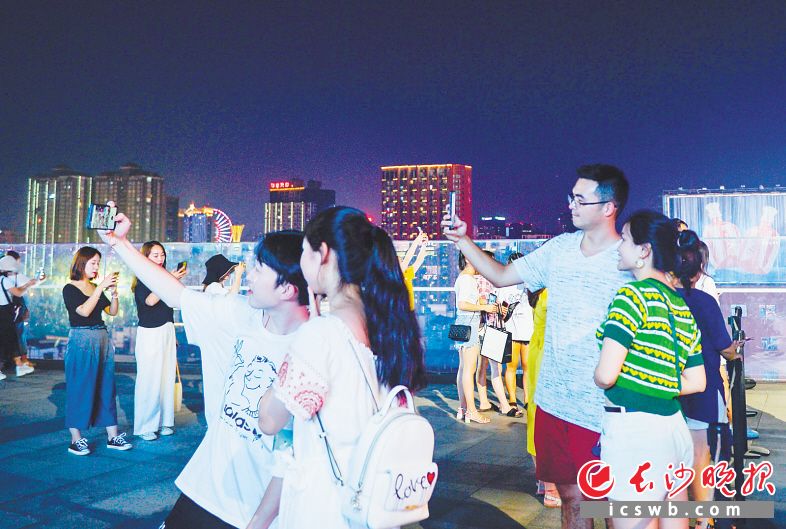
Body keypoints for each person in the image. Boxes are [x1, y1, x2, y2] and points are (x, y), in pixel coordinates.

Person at [443, 164, 631, 529]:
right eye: (571, 197)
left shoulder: (628, 261)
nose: (572, 205)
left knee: (606, 504)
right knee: (570, 501)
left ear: (609, 207)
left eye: (581, 199)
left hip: (602, 408)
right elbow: (500, 276)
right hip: (551, 402)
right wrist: (464, 241)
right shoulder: (558, 249)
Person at [99, 214, 309, 529]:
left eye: (259, 268)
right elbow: (174, 293)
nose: (249, 274)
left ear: (287, 289)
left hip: (261, 509)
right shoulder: (238, 316)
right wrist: (121, 244)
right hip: (207, 489)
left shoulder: (314, 348)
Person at [255, 206, 428, 529]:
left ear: (323, 254)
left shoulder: (320, 335)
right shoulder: (391, 331)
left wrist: (301, 343)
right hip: (376, 507)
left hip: (327, 509)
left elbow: (269, 419)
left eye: (305, 251)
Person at [594, 211, 705, 529]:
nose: (619, 246)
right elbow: (697, 381)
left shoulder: (630, 296)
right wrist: (659, 382)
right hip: (673, 428)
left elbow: (606, 374)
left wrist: (599, 375)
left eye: (626, 239)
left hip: (635, 432)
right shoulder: (680, 306)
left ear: (644, 250)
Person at [675, 233, 741, 529]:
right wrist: (736, 349)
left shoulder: (660, 299)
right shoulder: (703, 300)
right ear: (699, 269)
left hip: (666, 389)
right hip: (702, 387)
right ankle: (702, 518)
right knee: (701, 454)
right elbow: (725, 347)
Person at [62, 246, 132, 455]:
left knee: (106, 386)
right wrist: (101, 287)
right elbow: (83, 312)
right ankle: (76, 439)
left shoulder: (95, 287)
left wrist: (114, 294)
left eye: (98, 263)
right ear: (81, 263)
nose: (96, 267)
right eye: (93, 263)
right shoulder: (70, 288)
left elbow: (111, 311)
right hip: (82, 338)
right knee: (80, 386)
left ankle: (113, 436)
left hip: (101, 337)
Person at [132, 241, 187, 441]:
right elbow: (150, 301)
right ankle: (146, 425)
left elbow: (172, 303)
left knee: (165, 378)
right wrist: (170, 278)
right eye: (155, 255)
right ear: (145, 258)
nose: (160, 258)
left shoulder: (163, 278)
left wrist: (172, 280)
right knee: (150, 380)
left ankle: (164, 421)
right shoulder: (143, 279)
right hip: (150, 333)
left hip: (166, 329)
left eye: (162, 254)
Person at [524, 288, 561, 508]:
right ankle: (551, 488)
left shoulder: (540, 292)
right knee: (548, 422)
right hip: (550, 359)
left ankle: (542, 481)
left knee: (535, 419)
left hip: (539, 356)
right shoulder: (551, 294)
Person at [474, 251, 521, 418]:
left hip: (488, 327)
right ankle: (503, 405)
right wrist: (491, 307)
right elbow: (480, 303)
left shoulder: (487, 281)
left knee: (485, 366)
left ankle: (486, 401)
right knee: (492, 367)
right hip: (488, 327)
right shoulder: (481, 280)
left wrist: (498, 307)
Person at [453, 252, 495, 423]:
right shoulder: (467, 279)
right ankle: (471, 411)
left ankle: (463, 409)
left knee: (463, 369)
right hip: (469, 324)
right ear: (469, 259)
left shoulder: (463, 278)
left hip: (463, 323)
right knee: (468, 370)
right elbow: (462, 304)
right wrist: (484, 307)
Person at [497, 251, 534, 409]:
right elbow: (499, 307)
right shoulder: (503, 285)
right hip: (511, 330)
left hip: (528, 329)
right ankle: (512, 399)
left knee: (527, 366)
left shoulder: (529, 283)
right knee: (511, 366)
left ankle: (527, 399)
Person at [0, 254, 39, 378]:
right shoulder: (4, 280)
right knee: (11, 338)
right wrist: (29, 284)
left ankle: (19, 365)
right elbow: (18, 292)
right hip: (5, 312)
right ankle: (19, 365)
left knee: (7, 339)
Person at [399, 230, 430, 311]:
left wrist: (424, 245)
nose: (402, 261)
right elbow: (408, 258)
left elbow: (419, 260)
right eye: (399, 260)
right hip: (399, 311)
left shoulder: (406, 273)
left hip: (408, 311)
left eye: (401, 260)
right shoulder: (397, 274)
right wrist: (417, 240)